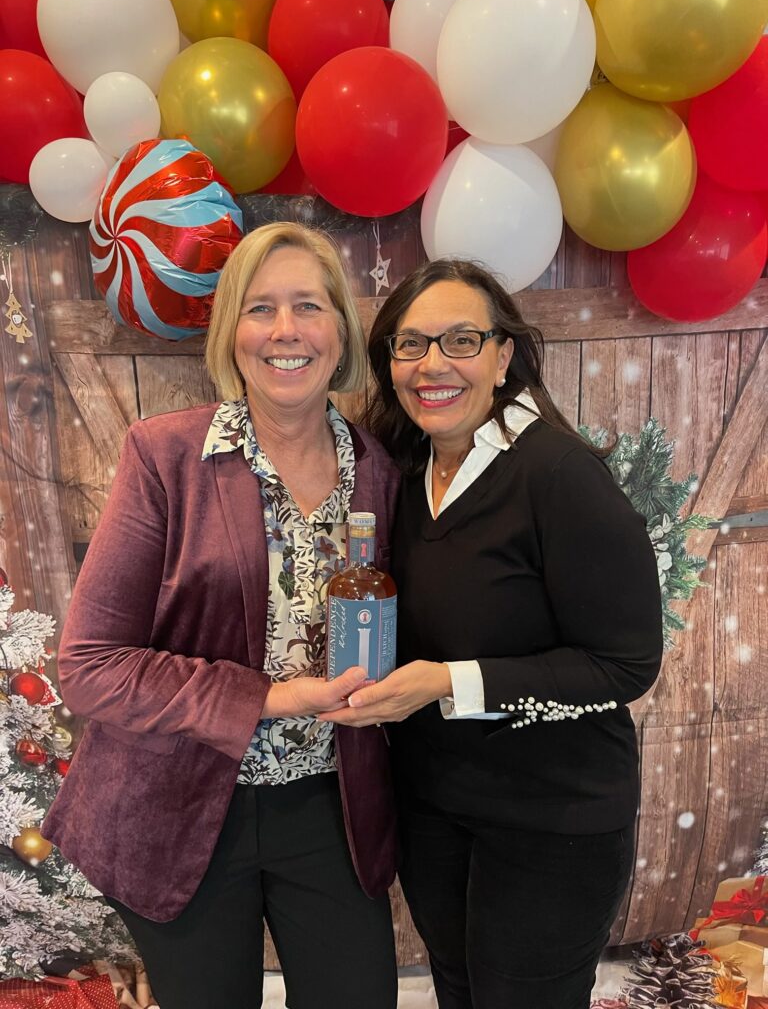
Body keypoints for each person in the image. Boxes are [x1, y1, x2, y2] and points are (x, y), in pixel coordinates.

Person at [42, 223, 400, 1009]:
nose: (285, 331)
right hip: (181, 808)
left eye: (308, 305)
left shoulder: (379, 470)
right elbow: (90, 666)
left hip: (330, 809)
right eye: (259, 308)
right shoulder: (165, 456)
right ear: (230, 330)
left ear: (339, 327)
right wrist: (266, 698)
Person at [319, 259, 664, 1009]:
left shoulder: (558, 475)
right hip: (436, 805)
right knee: (459, 989)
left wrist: (447, 681)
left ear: (504, 355)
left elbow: (623, 665)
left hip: (553, 818)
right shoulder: (398, 474)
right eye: (410, 345)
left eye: (461, 340)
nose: (432, 364)